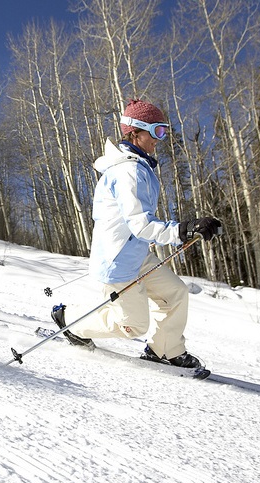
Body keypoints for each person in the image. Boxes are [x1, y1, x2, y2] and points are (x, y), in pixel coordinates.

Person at [52, 99, 221, 368]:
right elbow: (140, 224)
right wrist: (183, 229)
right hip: (118, 259)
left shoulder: (139, 167)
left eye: (163, 131)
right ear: (135, 133)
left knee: (175, 293)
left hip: (137, 253)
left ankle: (165, 350)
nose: (160, 139)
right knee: (134, 325)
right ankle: (71, 323)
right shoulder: (128, 171)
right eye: (156, 132)